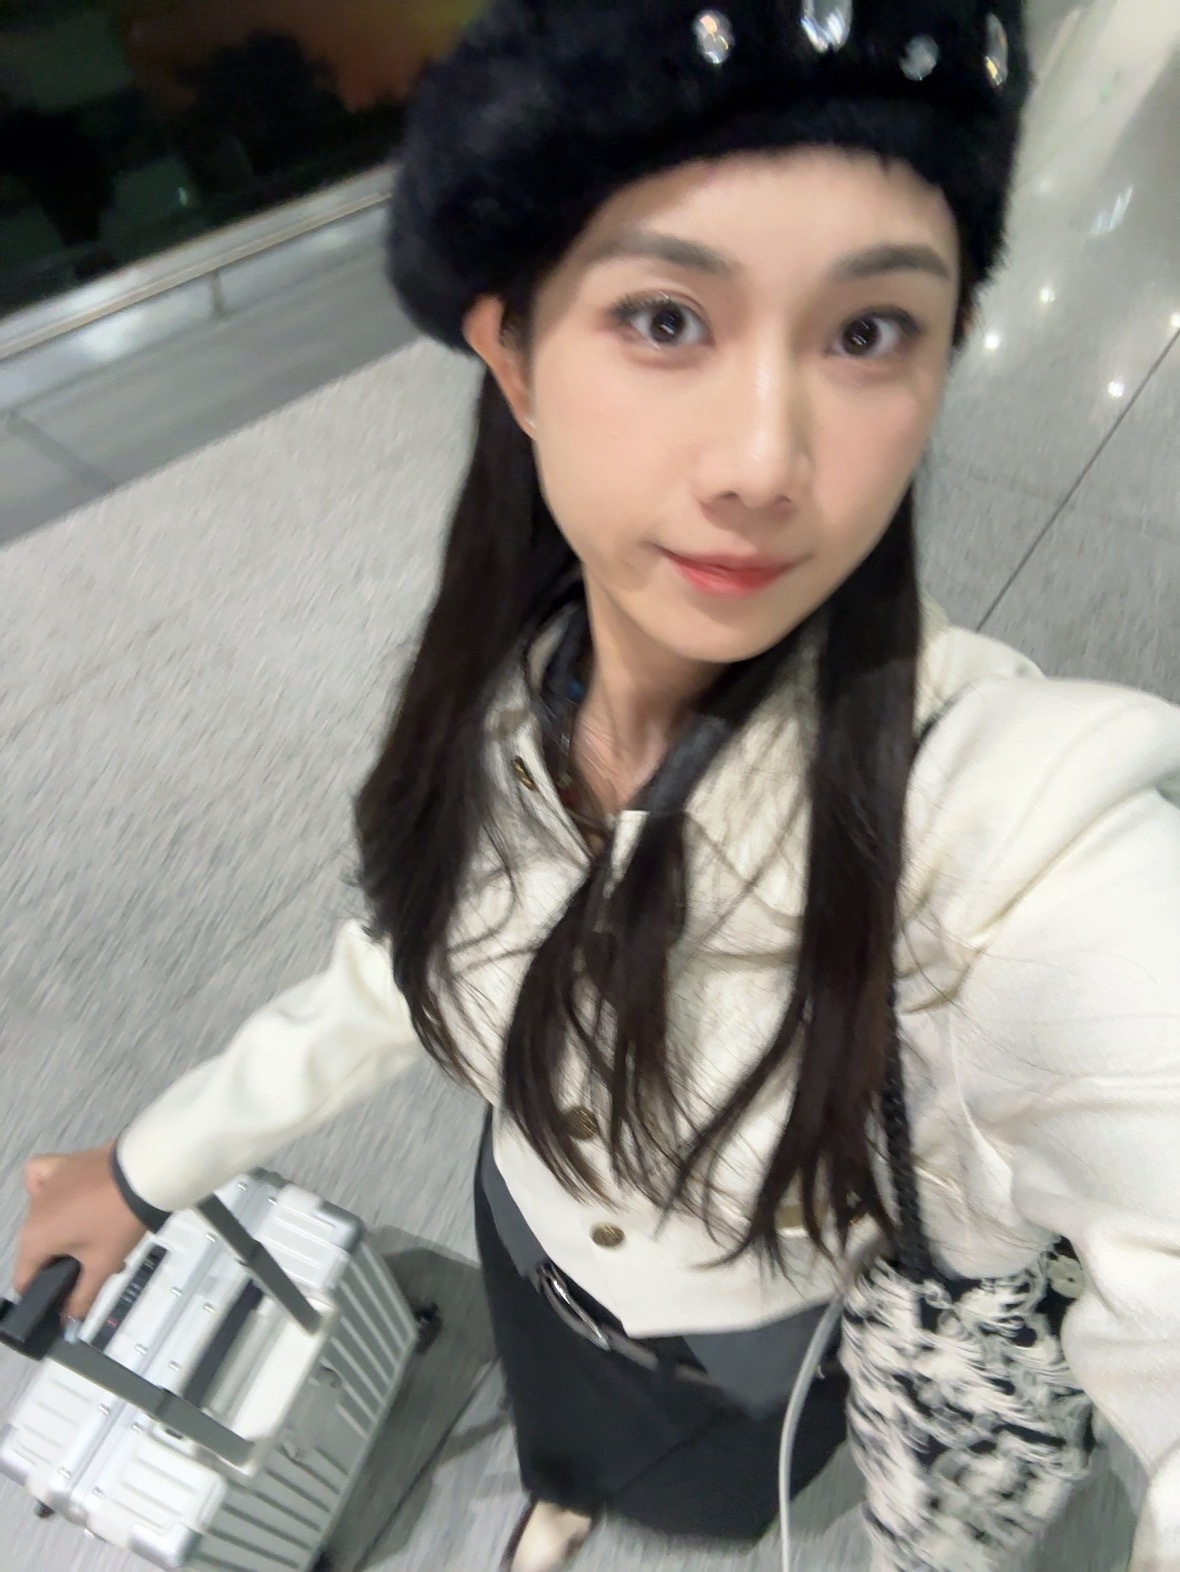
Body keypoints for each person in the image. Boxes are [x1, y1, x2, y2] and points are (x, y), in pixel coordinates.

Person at [13, 2, 1180, 1569]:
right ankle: (565, 1483)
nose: (764, 462)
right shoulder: (510, 683)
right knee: (569, 1427)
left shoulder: (1007, 839)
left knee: (701, 1482)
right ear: (513, 353)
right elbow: (408, 965)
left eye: (867, 332)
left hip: (747, 1340)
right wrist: (151, 1167)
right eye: (667, 317)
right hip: (527, 1240)